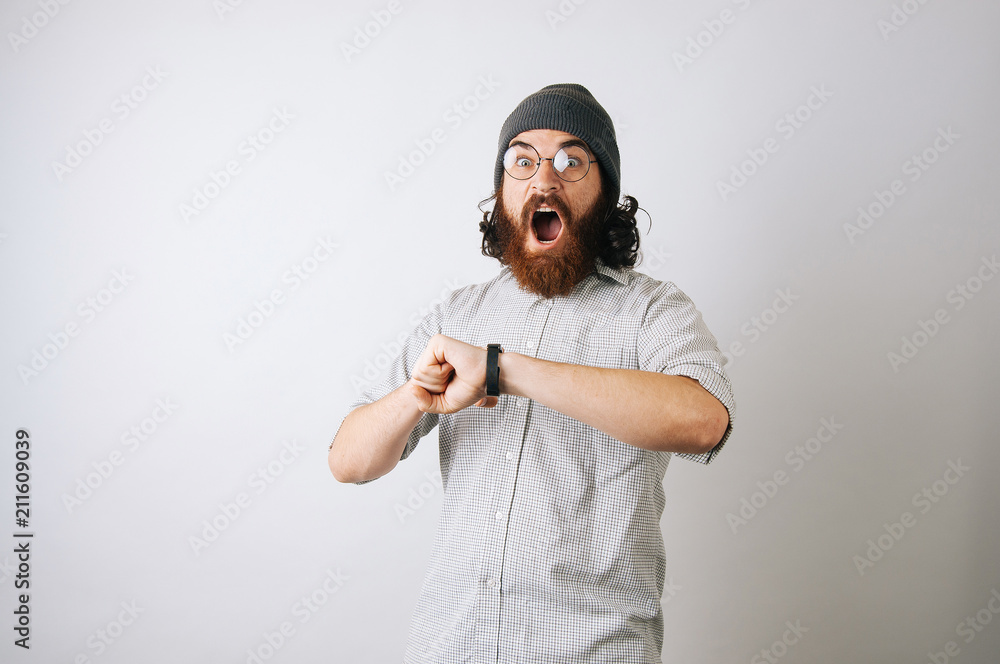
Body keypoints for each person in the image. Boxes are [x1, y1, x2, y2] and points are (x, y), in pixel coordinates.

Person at [329, 83, 735, 664]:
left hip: (591, 650)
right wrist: (416, 397)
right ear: (502, 191)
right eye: (523, 161)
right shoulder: (456, 316)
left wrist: (502, 369)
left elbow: (705, 422)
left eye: (572, 162)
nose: (545, 181)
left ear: (607, 192)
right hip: (451, 646)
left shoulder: (652, 311)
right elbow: (348, 461)